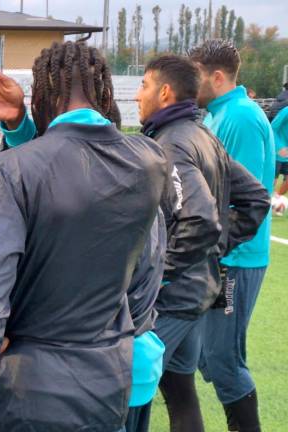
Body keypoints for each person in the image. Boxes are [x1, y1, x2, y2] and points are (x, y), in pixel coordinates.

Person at [0, 41, 166, 431]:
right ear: (106, 94)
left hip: (25, 393)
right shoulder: (148, 164)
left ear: (41, 97)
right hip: (109, 385)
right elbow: (147, 272)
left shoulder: (9, 172)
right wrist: (20, 126)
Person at [134, 54, 269, 432]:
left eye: (143, 86)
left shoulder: (175, 143)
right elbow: (255, 199)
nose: (137, 96)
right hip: (197, 293)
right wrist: (215, 249)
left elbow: (200, 219)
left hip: (176, 298)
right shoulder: (201, 134)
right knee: (178, 389)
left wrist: (163, 272)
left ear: (164, 92)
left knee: (124, 383)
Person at [190, 39, 276, 432]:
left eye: (196, 76)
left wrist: (218, 251)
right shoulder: (215, 115)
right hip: (217, 257)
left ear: (217, 77)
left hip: (235, 261)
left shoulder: (239, 117)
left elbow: (246, 200)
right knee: (206, 358)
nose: (191, 85)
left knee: (223, 361)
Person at [271, 106, 288, 205]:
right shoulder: (286, 111)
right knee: (273, 180)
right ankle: (265, 202)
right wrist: (279, 147)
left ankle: (276, 201)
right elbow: (272, 128)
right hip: (278, 153)